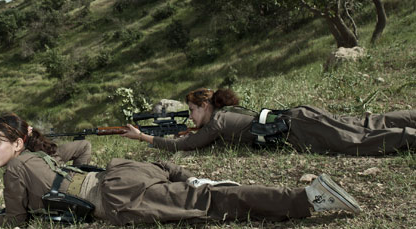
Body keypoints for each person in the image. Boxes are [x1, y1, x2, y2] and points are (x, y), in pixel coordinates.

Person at [0, 113, 360, 229]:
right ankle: (189, 177)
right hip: (121, 171)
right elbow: (84, 149)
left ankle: (308, 200)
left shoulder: (13, 173)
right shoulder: (44, 153)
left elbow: (14, 221)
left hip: (116, 197)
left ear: (17, 143)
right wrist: (72, 178)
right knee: (193, 186)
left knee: (210, 205)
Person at [119, 88, 416, 155]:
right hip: (298, 117)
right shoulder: (222, 116)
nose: (190, 116)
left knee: (358, 140)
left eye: (192, 110)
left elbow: (184, 146)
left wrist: (143, 137)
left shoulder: (217, 124)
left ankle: (409, 137)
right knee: (367, 121)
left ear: (205, 106)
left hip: (299, 130)